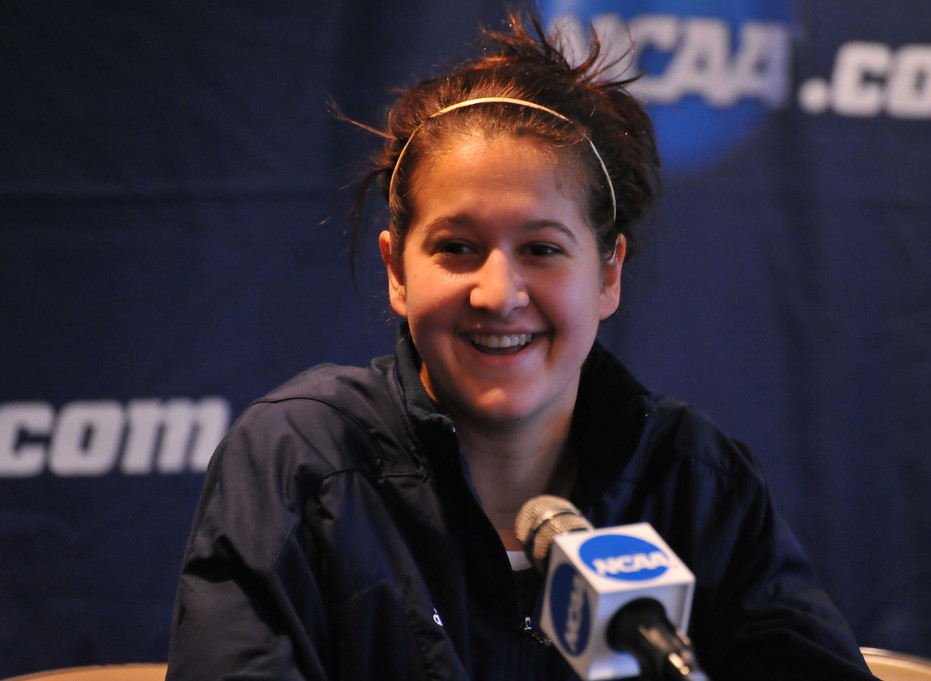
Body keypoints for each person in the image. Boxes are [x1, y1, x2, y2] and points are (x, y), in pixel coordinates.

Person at [166, 12, 878, 681]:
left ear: (607, 274)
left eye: (541, 248)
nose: (498, 291)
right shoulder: (299, 461)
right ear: (397, 271)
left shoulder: (698, 483)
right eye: (457, 247)